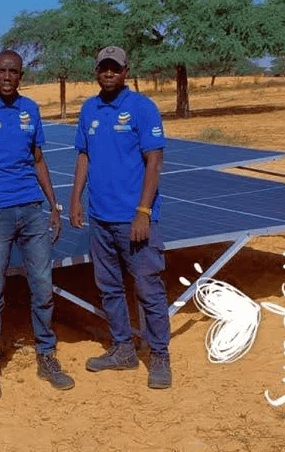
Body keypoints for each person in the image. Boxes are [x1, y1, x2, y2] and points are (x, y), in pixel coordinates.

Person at [0, 49, 75, 400]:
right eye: (2, 71)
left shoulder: (31, 110)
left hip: (32, 209)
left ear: (21, 75)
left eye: (14, 71)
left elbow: (38, 160)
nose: (7, 77)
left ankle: (46, 356)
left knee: (42, 286)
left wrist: (53, 205)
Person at [69, 45, 172, 389]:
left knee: (148, 287)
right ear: (96, 71)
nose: (109, 73)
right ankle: (123, 349)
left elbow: (154, 161)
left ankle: (159, 356)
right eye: (104, 68)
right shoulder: (89, 109)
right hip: (100, 218)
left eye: (115, 68)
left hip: (134, 218)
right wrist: (76, 198)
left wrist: (143, 211)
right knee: (109, 288)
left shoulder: (142, 108)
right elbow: (83, 155)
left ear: (126, 71)